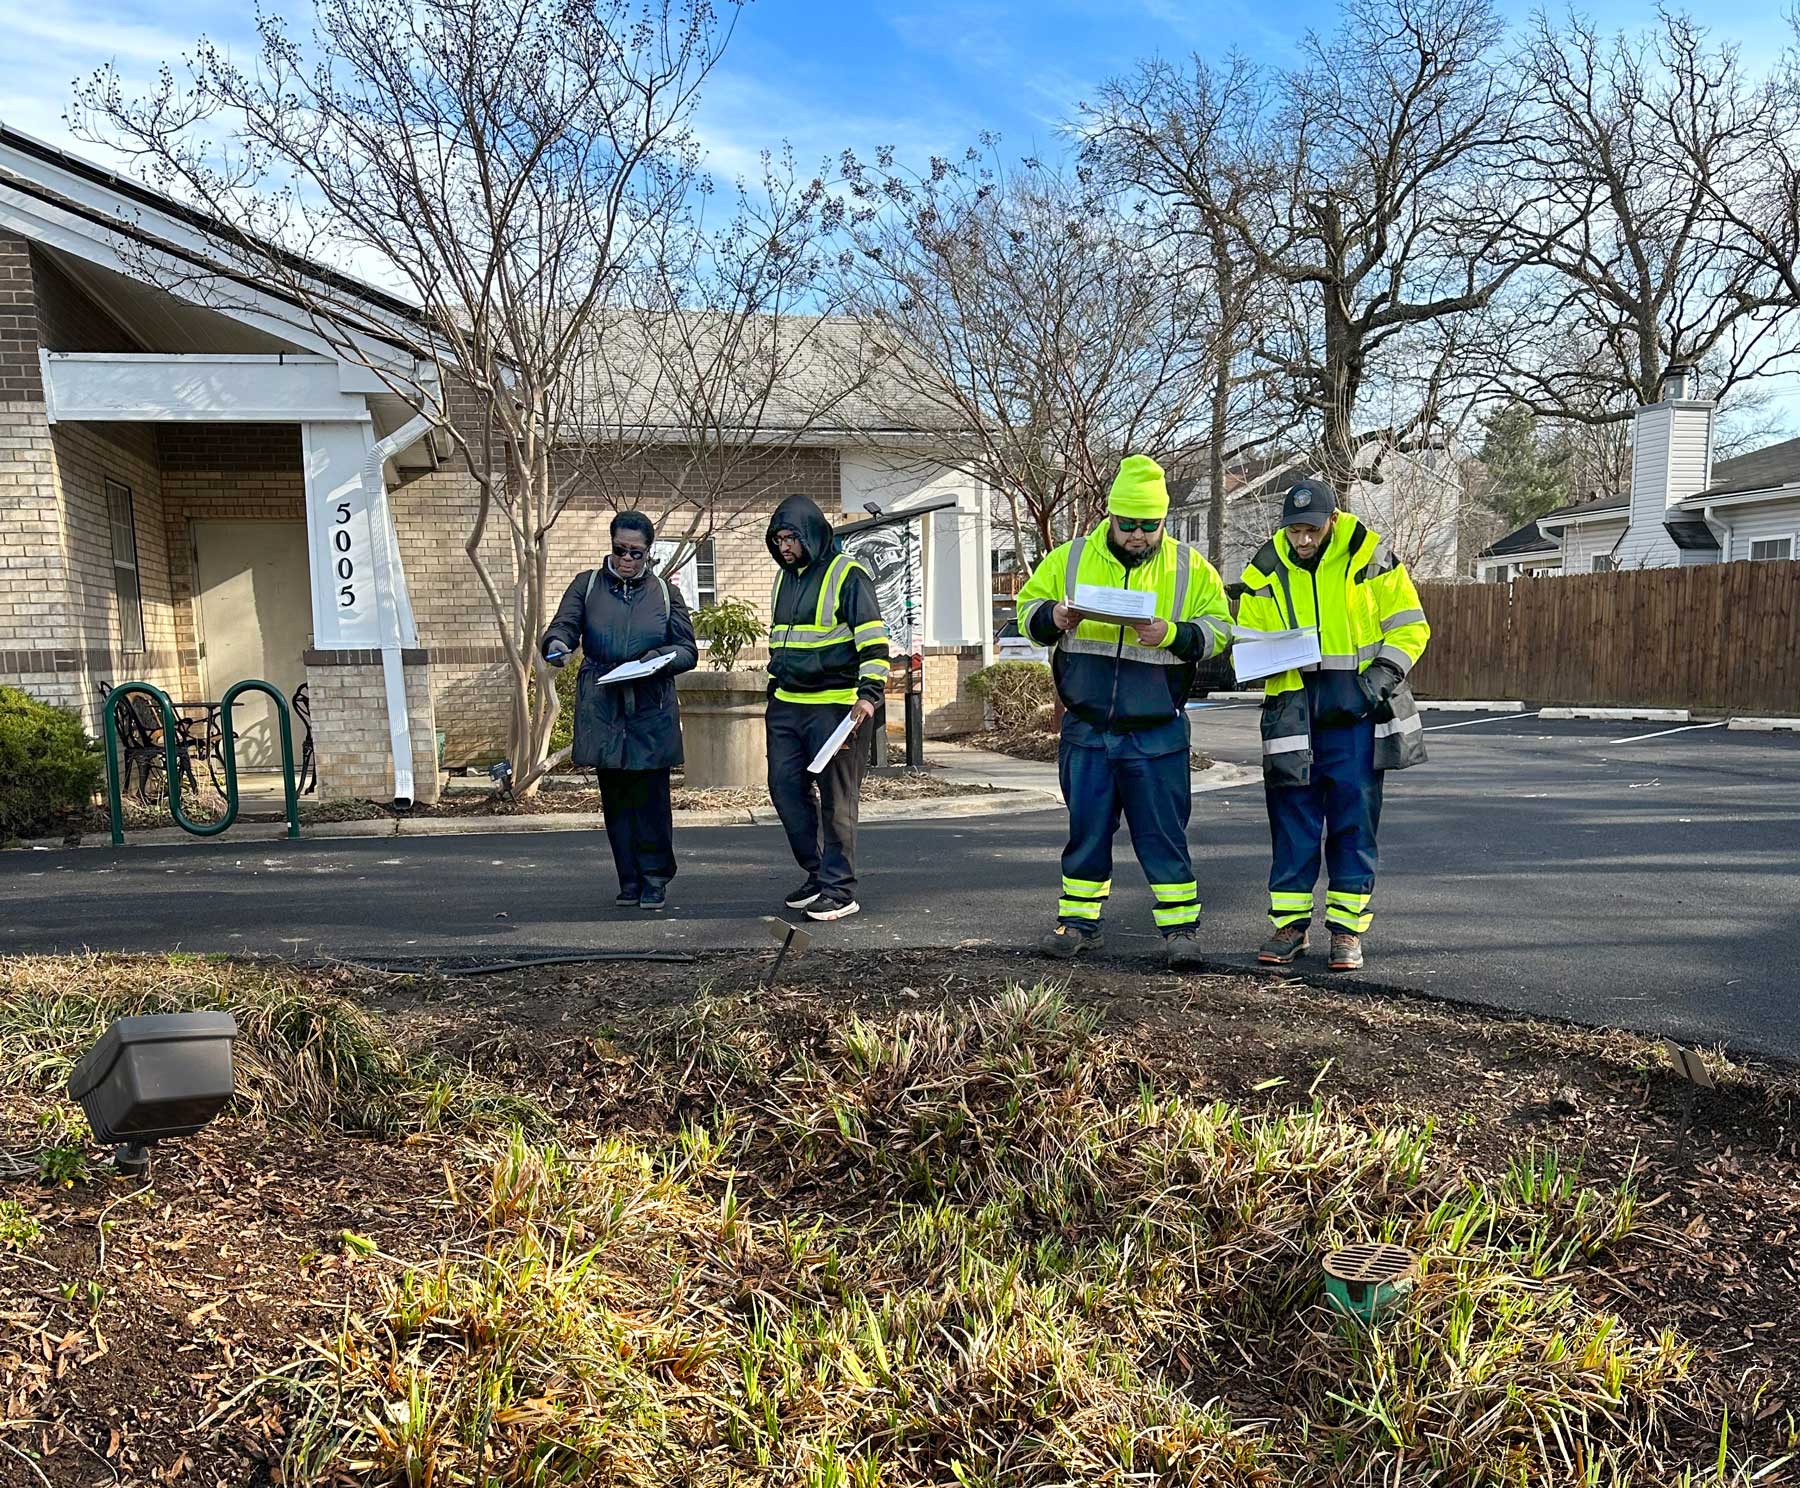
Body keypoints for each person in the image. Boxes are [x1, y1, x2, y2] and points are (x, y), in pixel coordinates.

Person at [1015, 454, 1233, 969]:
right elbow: (1026, 612)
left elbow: (1222, 630)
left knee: (1163, 834)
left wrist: (1175, 634)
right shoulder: (1069, 559)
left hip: (1156, 729)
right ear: (1109, 516)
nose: (1137, 534)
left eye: (1148, 525)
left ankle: (1180, 931)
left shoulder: (1190, 568)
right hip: (1088, 727)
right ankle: (1078, 924)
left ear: (1163, 521)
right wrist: (1054, 616)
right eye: (1127, 523)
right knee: (1086, 829)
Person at [1237, 479, 1431, 972]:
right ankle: (1290, 927)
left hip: (1357, 717)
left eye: (1311, 529)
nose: (1302, 539)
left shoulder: (1371, 557)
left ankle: (1346, 931)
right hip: (1292, 714)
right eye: (1294, 530)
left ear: (1334, 519)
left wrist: (1378, 680)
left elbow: (1411, 626)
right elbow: (1253, 640)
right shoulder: (1264, 568)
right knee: (1292, 824)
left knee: (1353, 824)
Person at [541, 511, 698, 911]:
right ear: (610, 547)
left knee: (651, 798)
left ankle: (655, 878)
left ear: (649, 553)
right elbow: (564, 625)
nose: (628, 559)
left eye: (637, 553)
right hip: (604, 704)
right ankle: (628, 880)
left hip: (650, 703)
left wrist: (660, 659)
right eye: (620, 550)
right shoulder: (587, 585)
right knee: (615, 798)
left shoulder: (665, 593)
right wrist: (557, 644)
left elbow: (687, 650)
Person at [764, 493, 890, 922]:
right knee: (784, 789)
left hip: (838, 708)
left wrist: (869, 695)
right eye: (779, 538)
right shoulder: (785, 578)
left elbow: (873, 639)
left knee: (838, 800)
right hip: (787, 704)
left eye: (792, 538)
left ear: (813, 534)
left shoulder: (848, 574)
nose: (784, 546)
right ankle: (819, 873)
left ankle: (839, 890)